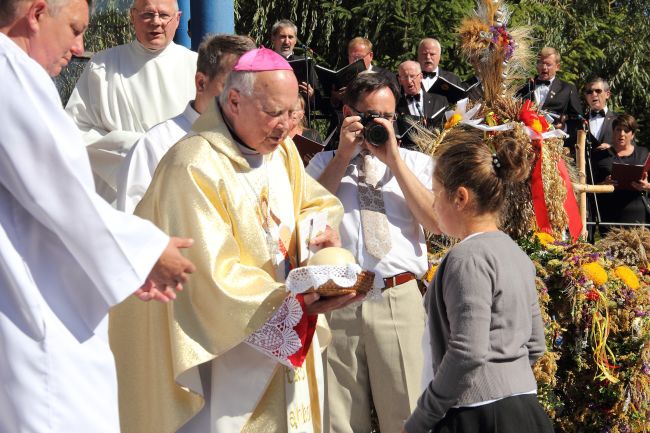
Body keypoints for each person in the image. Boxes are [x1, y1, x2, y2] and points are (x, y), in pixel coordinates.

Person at [109, 48, 361, 433]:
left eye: (291, 113)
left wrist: (318, 233)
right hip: (226, 352)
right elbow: (208, 275)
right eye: (273, 113)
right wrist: (294, 303)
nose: (284, 126)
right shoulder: (193, 164)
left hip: (290, 336)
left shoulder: (282, 153)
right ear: (234, 100)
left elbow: (313, 202)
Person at [0, 0, 196, 431]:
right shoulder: (11, 74)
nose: (78, 46)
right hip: (35, 295)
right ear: (36, 14)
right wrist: (146, 249)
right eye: (73, 28)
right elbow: (56, 187)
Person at [306, 73, 439, 433]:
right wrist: (343, 156)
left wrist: (394, 161)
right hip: (339, 298)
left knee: (409, 413)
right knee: (339, 418)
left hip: (398, 296)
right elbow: (307, 215)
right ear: (348, 113)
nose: (378, 125)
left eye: (387, 117)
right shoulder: (322, 164)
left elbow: (436, 221)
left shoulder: (415, 163)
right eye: (369, 117)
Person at [402, 128, 553, 433]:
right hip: (524, 407)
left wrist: (420, 420)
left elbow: (467, 353)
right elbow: (535, 342)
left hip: (478, 414)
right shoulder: (515, 253)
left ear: (460, 197)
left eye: (435, 193)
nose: (432, 205)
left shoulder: (467, 258)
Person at [65, 0, 197, 204]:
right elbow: (73, 131)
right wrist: (135, 148)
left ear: (177, 19)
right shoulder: (102, 66)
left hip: (183, 192)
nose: (156, 22)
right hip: (120, 194)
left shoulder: (198, 67)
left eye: (163, 15)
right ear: (132, 17)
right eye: (147, 15)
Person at [116, 34, 255, 213]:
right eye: (231, 87)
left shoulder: (258, 144)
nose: (242, 99)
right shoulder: (156, 145)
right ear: (201, 83)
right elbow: (134, 222)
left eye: (251, 89)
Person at [592, 113, 650, 235]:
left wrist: (646, 186)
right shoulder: (601, 156)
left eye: (626, 130)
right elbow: (589, 186)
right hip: (610, 214)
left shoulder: (644, 154)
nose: (622, 134)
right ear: (613, 132)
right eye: (618, 129)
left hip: (637, 214)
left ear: (632, 134)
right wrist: (604, 184)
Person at [516, 47, 582, 147]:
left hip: (554, 146)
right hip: (526, 145)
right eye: (541, 63)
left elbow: (578, 121)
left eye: (548, 64)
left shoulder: (567, 89)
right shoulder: (526, 87)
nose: (544, 67)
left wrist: (563, 127)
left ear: (558, 67)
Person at [396, 60, 448, 149]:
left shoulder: (440, 100)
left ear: (421, 77)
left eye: (412, 76)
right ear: (400, 80)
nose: (409, 81)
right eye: (405, 77)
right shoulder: (395, 104)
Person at [583, 77, 617, 152]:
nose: (593, 94)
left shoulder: (619, 120)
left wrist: (611, 147)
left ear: (607, 94)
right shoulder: (580, 121)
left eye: (598, 91)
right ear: (586, 96)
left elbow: (629, 147)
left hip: (610, 162)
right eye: (589, 92)